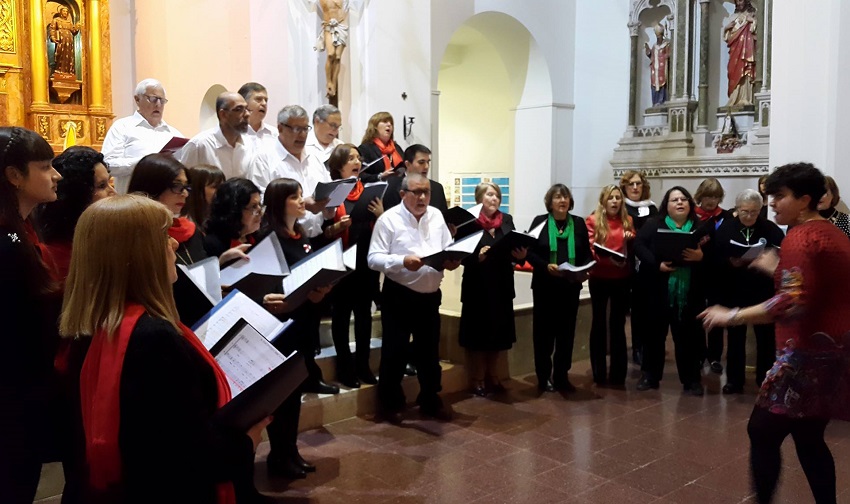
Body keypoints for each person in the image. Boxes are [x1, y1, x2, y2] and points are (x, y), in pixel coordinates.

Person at [59, 194, 269, 503]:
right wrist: (245, 443)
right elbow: (185, 456)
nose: (173, 245)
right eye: (163, 237)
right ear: (134, 254)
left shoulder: (88, 327)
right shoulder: (154, 338)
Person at [700, 162, 850, 504]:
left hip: (805, 356)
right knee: (809, 437)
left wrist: (731, 315)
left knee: (762, 431)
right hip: (834, 351)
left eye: (780, 197)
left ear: (805, 199)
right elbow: (815, 286)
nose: (772, 204)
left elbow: (790, 302)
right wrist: (778, 268)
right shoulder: (833, 233)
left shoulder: (800, 236)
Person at [0, 127, 62, 504]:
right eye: (45, 166)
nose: (56, 175)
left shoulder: (21, 232)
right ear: (14, 176)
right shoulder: (6, 243)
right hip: (12, 396)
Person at [367, 173, 460, 423]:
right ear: (402, 194)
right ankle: (390, 402)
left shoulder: (437, 216)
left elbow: (447, 246)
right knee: (394, 351)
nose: (422, 198)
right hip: (399, 294)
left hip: (430, 296)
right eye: (416, 192)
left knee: (429, 352)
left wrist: (451, 260)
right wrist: (401, 262)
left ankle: (430, 398)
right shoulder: (388, 220)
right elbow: (373, 258)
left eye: (426, 192)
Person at [260, 177, 335, 479]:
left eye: (301, 195)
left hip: (304, 320)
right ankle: (278, 456)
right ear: (280, 203)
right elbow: (274, 284)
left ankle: (291, 451)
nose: (302, 201)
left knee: (295, 395)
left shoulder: (300, 234)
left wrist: (321, 290)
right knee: (283, 396)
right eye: (295, 196)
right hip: (283, 326)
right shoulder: (269, 239)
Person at [634, 186, 710, 395]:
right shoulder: (653, 224)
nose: (679, 203)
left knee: (688, 337)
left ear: (690, 204)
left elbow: (713, 255)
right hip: (658, 288)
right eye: (674, 199)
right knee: (654, 336)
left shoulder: (699, 227)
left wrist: (701, 257)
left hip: (689, 293)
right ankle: (650, 375)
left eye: (684, 199)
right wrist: (656, 264)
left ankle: (691, 379)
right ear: (666, 205)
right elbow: (638, 245)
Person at [711, 189, 784, 394]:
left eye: (754, 212)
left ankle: (765, 378)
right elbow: (715, 257)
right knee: (735, 338)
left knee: (766, 338)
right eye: (745, 212)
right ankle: (734, 380)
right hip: (734, 288)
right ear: (737, 209)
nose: (749, 216)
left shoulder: (771, 229)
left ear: (760, 209)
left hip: (762, 289)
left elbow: (780, 255)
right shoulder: (725, 229)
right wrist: (730, 261)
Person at [458, 182, 526, 396]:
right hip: (477, 286)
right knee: (478, 334)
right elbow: (459, 254)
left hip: (501, 284)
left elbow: (513, 247)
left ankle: (494, 377)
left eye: (497, 195)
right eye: (489, 194)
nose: (494, 198)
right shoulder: (469, 222)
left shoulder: (506, 220)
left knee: (499, 334)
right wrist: (476, 257)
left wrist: (520, 257)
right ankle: (477, 379)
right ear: (479, 198)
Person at [525, 184, 592, 393]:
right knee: (543, 335)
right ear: (550, 202)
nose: (562, 200)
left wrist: (586, 268)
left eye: (565, 197)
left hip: (569, 287)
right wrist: (545, 266)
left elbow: (586, 254)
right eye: (557, 197)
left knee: (566, 334)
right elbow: (529, 252)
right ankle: (543, 377)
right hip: (545, 286)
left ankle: (562, 376)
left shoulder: (579, 223)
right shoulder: (540, 222)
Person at [324, 144, 381, 388]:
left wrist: (381, 214)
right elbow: (321, 232)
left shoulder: (369, 191)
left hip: (366, 264)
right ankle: (345, 368)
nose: (357, 161)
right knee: (341, 317)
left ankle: (363, 366)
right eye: (350, 158)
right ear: (338, 166)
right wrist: (337, 227)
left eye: (358, 157)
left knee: (364, 318)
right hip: (342, 264)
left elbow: (383, 228)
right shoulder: (333, 193)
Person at [252, 105, 332, 238]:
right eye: (296, 129)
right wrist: (303, 205)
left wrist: (328, 207)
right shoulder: (264, 159)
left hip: (318, 235)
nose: (302, 134)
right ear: (280, 128)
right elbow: (261, 204)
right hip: (283, 238)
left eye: (305, 129)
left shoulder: (314, 157)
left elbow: (328, 188)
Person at [40, 146, 116, 278]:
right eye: (102, 186)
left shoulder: (105, 233)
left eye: (109, 183)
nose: (114, 193)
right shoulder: (58, 253)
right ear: (78, 195)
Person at [586, 185, 635, 386]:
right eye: (611, 198)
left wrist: (630, 241)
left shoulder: (628, 221)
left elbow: (632, 246)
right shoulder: (593, 220)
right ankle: (598, 372)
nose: (615, 201)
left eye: (618, 198)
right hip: (599, 276)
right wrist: (608, 260)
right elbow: (591, 248)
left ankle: (618, 373)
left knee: (617, 324)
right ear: (603, 201)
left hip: (621, 277)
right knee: (598, 322)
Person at [101, 79, 183, 194]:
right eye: (153, 99)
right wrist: (145, 162)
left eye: (162, 100)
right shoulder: (122, 127)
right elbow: (109, 165)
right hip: (132, 205)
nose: (158, 104)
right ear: (137, 99)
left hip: (166, 204)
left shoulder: (174, 134)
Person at [620, 170, 657, 366]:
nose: (635, 188)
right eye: (631, 184)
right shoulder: (620, 206)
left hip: (648, 263)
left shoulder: (651, 208)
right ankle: (636, 348)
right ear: (625, 187)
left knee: (646, 307)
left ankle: (646, 346)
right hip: (626, 262)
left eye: (638, 184)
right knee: (632, 309)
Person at [178, 91, 259, 180]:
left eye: (247, 109)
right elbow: (184, 182)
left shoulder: (250, 145)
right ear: (223, 114)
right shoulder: (199, 145)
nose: (247, 114)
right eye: (239, 109)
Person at [203, 178, 263, 259]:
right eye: (253, 207)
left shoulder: (258, 237)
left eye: (260, 204)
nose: (260, 213)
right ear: (235, 211)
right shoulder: (212, 244)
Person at [314, 0, 349, 103]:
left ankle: (333, 83)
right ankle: (328, 82)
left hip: (341, 24)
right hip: (328, 25)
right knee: (330, 54)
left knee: (338, 57)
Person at [724, 0, 757, 107]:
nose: (739, 3)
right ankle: (734, 98)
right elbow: (728, 39)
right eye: (737, 0)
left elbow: (757, 33)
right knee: (733, 71)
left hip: (747, 49)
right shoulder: (733, 17)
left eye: (741, 0)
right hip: (735, 51)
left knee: (746, 71)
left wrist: (752, 21)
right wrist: (726, 29)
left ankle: (745, 98)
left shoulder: (752, 14)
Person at [358, 111, 405, 184]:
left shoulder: (396, 147)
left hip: (397, 190)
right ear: (375, 126)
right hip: (376, 191)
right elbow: (360, 174)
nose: (389, 124)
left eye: (391, 123)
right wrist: (380, 176)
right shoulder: (365, 149)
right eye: (385, 121)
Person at [238, 82, 278, 154]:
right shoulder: (234, 133)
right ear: (244, 103)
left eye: (266, 100)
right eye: (258, 99)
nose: (264, 103)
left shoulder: (275, 134)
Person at [49, 6, 81, 77]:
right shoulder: (56, 20)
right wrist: (53, 37)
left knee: (69, 56)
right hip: (61, 40)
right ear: (60, 12)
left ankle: (68, 72)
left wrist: (77, 26)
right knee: (60, 55)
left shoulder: (69, 22)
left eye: (66, 11)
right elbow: (52, 29)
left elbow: (73, 31)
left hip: (69, 41)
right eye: (64, 11)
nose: (65, 13)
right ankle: (59, 70)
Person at [817, 175, 850, 239]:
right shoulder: (802, 220)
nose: (818, 196)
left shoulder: (847, 221)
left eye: (823, 192)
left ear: (833, 194)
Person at [644, 24, 669, 106]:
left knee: (662, 86)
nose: (658, 38)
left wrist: (666, 56)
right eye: (657, 37)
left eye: (660, 37)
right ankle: (655, 102)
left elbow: (669, 55)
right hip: (655, 70)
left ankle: (661, 101)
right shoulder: (655, 46)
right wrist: (648, 50)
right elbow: (651, 55)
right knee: (654, 85)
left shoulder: (666, 45)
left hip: (662, 70)